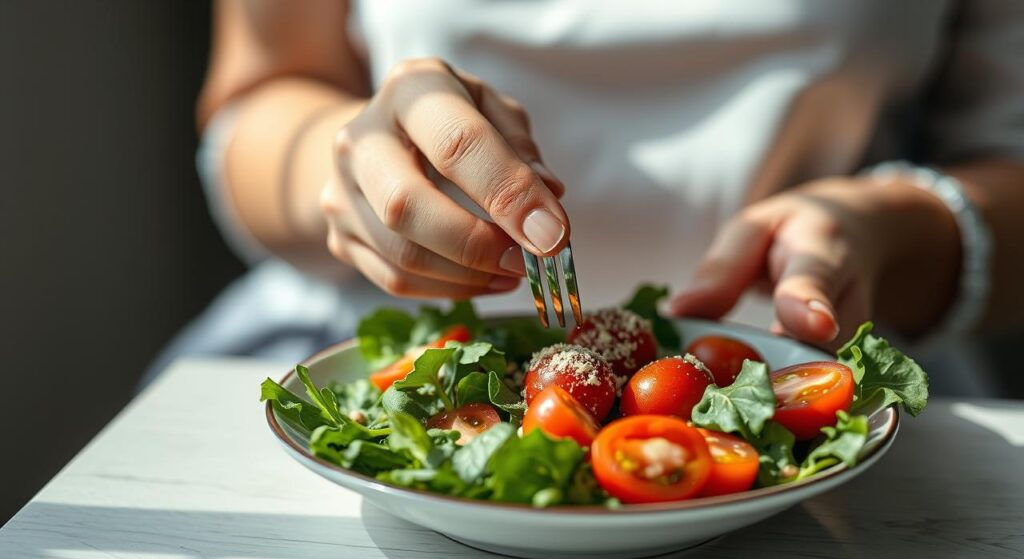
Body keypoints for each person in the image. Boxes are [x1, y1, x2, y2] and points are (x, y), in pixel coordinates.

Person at [156, 0, 1024, 395]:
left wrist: (894, 230)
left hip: (802, 374)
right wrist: (343, 169)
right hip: (388, 361)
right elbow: (260, 101)